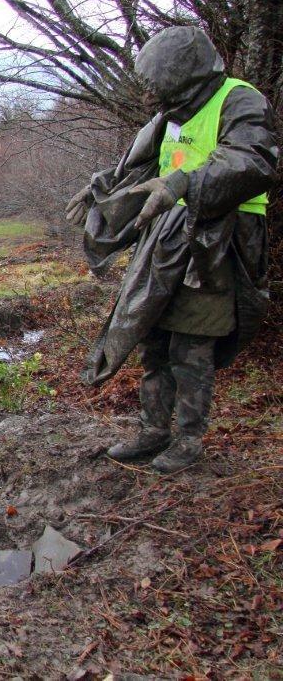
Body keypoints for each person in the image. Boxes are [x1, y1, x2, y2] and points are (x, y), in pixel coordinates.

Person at [67, 26, 277, 473]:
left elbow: (253, 160)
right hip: (167, 238)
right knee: (155, 337)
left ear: (182, 73)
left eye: (155, 81)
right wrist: (101, 189)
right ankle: (153, 430)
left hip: (216, 243)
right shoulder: (171, 114)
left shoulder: (240, 100)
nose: (149, 92)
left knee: (192, 344)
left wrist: (183, 184)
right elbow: (142, 166)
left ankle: (187, 441)